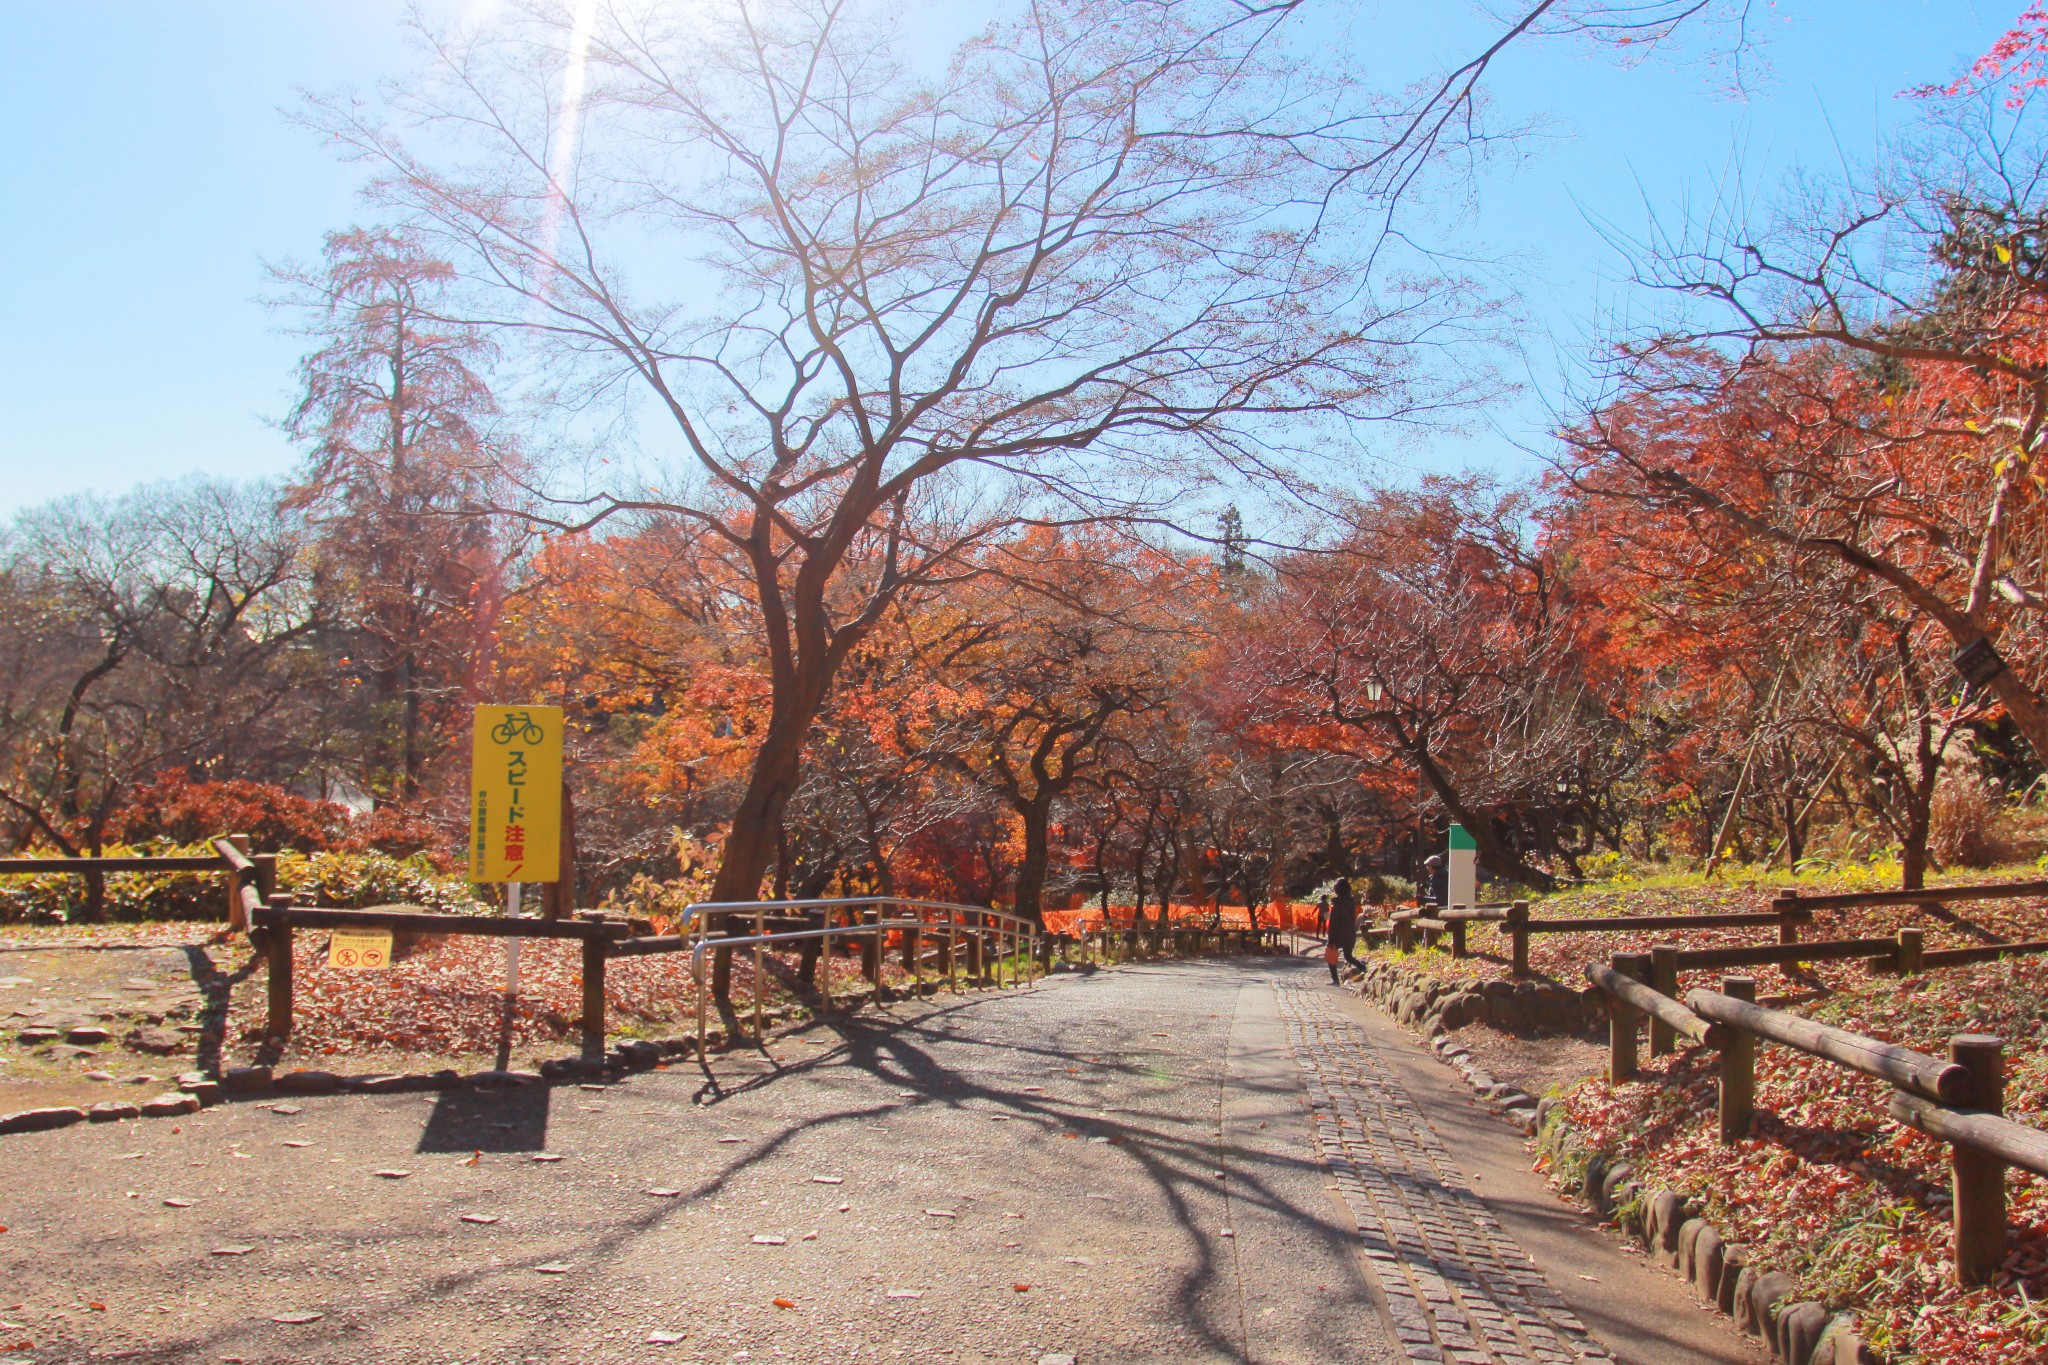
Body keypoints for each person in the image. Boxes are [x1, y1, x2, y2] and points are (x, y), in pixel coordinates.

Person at [1325, 878, 1361, 983]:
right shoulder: (1351, 901)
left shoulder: (1337, 902)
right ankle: (1363, 967)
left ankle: (1335, 979)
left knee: (1331, 956)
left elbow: (1334, 920)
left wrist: (1331, 936)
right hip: (1350, 933)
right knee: (1348, 956)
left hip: (1337, 934)